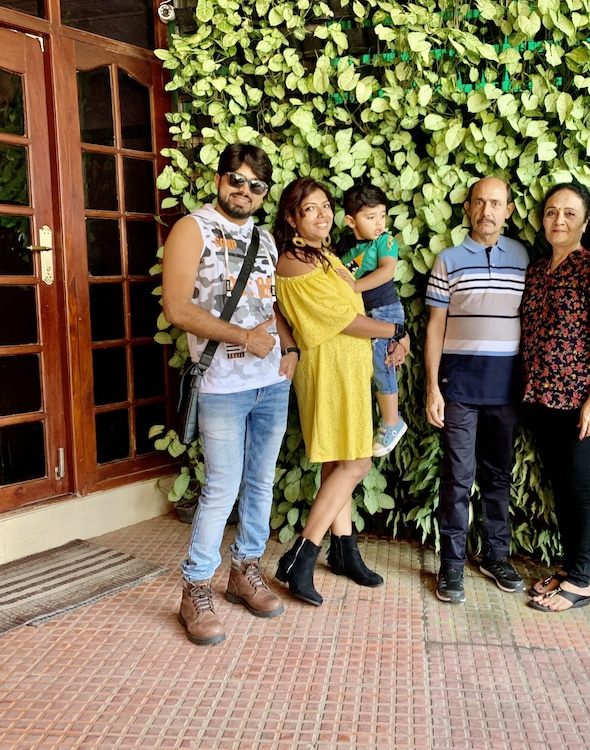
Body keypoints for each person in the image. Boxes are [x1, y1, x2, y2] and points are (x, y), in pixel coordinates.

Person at [161, 143, 298, 646]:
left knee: (261, 481)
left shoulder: (266, 238)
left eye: (255, 185)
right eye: (236, 180)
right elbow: (177, 308)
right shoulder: (192, 228)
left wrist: (290, 349)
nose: (244, 190)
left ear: (264, 193)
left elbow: (276, 304)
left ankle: (245, 570)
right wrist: (243, 337)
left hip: (270, 382)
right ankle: (195, 587)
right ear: (219, 180)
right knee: (221, 486)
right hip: (221, 383)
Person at [272, 177, 411, 606]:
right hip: (327, 371)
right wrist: (396, 330)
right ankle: (301, 555)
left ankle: (344, 550)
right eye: (310, 208)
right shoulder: (293, 261)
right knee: (357, 461)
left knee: (339, 460)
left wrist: (393, 334)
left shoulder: (325, 256)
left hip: (347, 369)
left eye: (326, 206)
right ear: (292, 218)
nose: (322, 214)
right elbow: (342, 319)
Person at [424, 176, 529, 603]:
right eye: (480, 202)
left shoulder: (523, 258)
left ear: (508, 210)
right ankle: (451, 564)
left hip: (507, 389)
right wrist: (432, 388)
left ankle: (495, 556)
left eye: (496, 203)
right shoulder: (448, 260)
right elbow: (435, 327)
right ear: (468, 208)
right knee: (457, 477)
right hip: (459, 388)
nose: (487, 211)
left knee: (498, 476)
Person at [520, 183, 590, 613]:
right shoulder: (537, 270)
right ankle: (567, 569)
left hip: (581, 399)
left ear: (585, 222)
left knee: (581, 487)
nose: (558, 220)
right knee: (560, 487)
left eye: (569, 213)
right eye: (551, 212)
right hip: (541, 397)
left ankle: (580, 582)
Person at [336, 183, 408, 457]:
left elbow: (387, 271)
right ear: (351, 220)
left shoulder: (385, 241)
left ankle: (392, 421)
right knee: (367, 369)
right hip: (361, 316)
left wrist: (355, 286)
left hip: (385, 310)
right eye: (371, 217)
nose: (379, 223)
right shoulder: (343, 246)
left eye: (382, 215)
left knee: (383, 365)